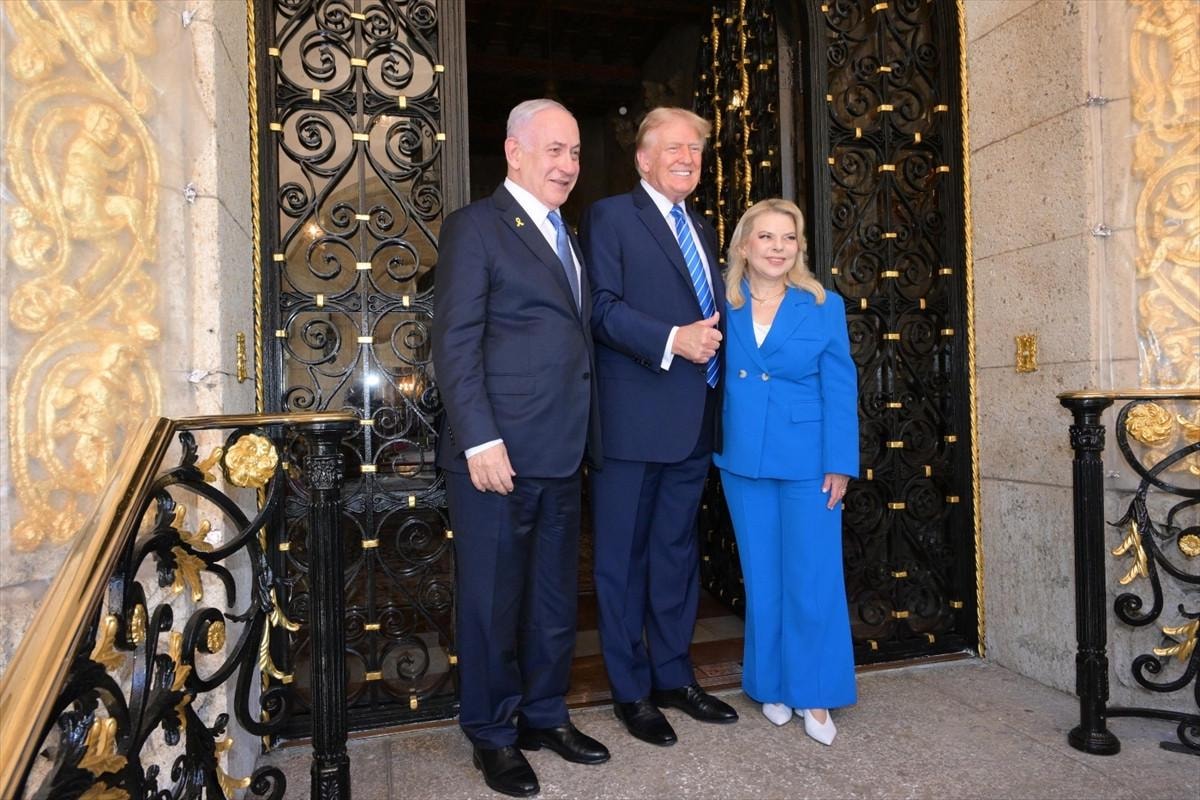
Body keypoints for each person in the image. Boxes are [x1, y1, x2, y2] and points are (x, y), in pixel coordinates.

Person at [432, 98, 608, 798]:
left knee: (553, 600)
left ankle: (544, 714)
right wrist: (479, 437)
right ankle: (492, 733)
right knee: (491, 604)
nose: (568, 164)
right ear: (514, 152)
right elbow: (455, 342)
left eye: (575, 152)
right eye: (554, 150)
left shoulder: (568, 236)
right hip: (496, 457)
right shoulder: (476, 227)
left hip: (562, 451)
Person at [580, 106, 738, 747]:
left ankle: (674, 676)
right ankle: (631, 692)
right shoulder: (611, 216)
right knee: (621, 563)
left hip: (695, 420)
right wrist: (673, 339)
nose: (686, 158)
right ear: (643, 159)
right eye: (673, 147)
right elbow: (601, 309)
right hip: (632, 423)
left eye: (695, 149)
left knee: (676, 556)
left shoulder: (702, 226)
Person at [712, 198, 859, 745]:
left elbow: (840, 387)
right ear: (744, 245)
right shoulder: (721, 302)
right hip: (742, 458)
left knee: (812, 576)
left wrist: (840, 462)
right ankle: (771, 684)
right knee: (763, 576)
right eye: (767, 236)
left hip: (809, 460)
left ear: (799, 248)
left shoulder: (822, 305)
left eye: (788, 238)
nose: (778, 248)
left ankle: (814, 692)